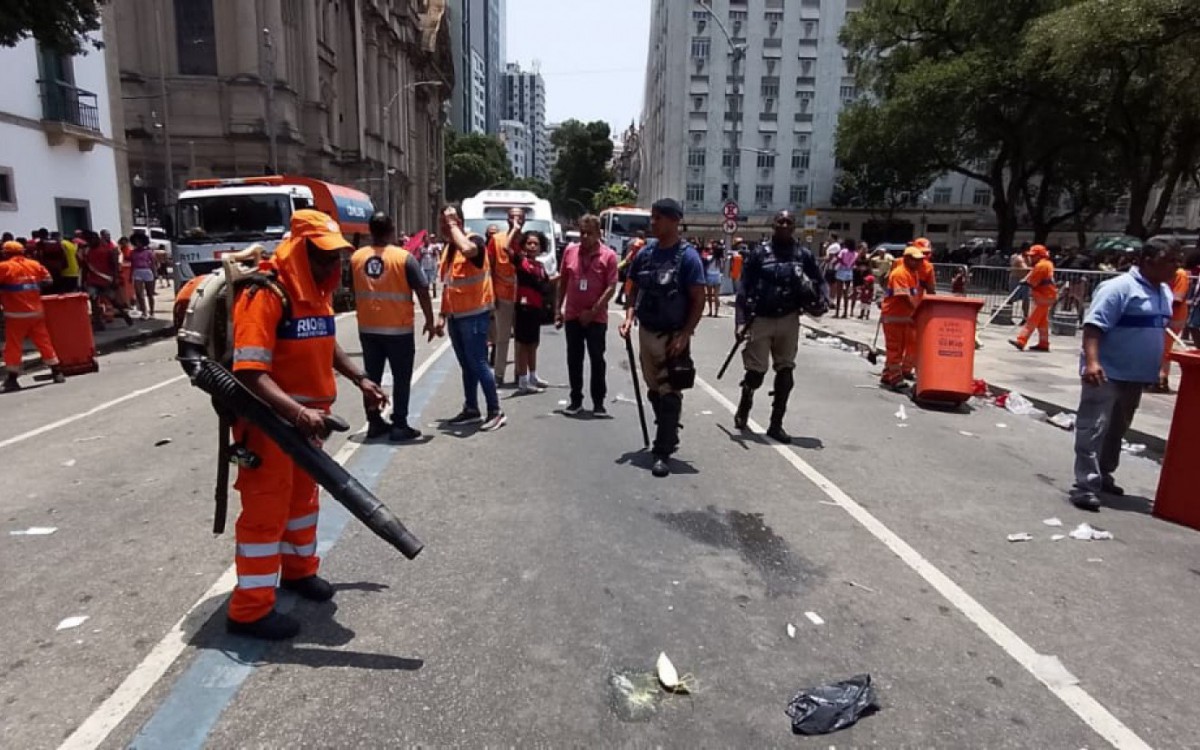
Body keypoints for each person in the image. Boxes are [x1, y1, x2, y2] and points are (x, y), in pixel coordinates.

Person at [227, 209, 388, 640]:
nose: (332, 266)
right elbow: (248, 370)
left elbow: (323, 341)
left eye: (336, 257)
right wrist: (297, 413)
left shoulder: (314, 291)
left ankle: (298, 572)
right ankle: (249, 609)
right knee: (265, 514)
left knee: (303, 504)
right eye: (323, 256)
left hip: (306, 427)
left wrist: (360, 379)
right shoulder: (266, 293)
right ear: (300, 250)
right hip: (268, 425)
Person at [1070, 238, 1182, 511]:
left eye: (1177, 261)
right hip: (1107, 373)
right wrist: (1093, 362)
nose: (1175, 267)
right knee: (1093, 428)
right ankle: (1085, 485)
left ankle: (1105, 474)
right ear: (1147, 261)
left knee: (1117, 430)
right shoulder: (1118, 288)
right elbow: (1094, 327)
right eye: (1169, 261)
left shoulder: (1164, 291)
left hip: (1135, 376)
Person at [618, 199, 706, 478]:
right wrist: (629, 316)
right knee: (654, 389)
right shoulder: (646, 254)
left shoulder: (688, 257)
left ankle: (662, 450)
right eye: (652, 217)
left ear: (673, 221)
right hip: (647, 332)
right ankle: (669, 429)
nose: (652, 223)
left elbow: (698, 298)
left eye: (657, 218)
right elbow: (632, 288)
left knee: (670, 391)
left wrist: (686, 333)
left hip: (673, 335)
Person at [734, 211, 826, 442]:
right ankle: (746, 400)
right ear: (773, 225)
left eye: (789, 222)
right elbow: (744, 287)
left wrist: (822, 299)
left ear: (794, 226)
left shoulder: (802, 254)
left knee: (786, 372)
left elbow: (819, 280)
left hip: (789, 318)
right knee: (756, 373)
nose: (784, 225)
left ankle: (776, 424)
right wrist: (740, 321)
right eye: (780, 221)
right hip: (761, 318)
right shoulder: (759, 254)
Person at [351, 212, 437, 442]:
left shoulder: (356, 257)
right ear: (391, 231)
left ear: (370, 231)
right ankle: (399, 424)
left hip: (368, 328)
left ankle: (374, 422)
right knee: (401, 378)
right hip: (398, 330)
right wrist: (430, 320)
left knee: (371, 378)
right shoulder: (403, 258)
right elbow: (422, 290)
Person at [437, 206, 505, 432]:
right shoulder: (449, 249)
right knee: (466, 365)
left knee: (478, 363)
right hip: (457, 316)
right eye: (443, 223)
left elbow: (468, 250)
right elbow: (449, 284)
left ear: (458, 222)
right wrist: (442, 315)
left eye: (447, 223)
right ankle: (471, 408)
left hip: (475, 314)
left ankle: (495, 410)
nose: (444, 228)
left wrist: (454, 225)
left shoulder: (474, 240)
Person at [557, 214, 619, 415]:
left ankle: (598, 402)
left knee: (596, 359)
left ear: (598, 234)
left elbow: (610, 287)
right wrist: (559, 308)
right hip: (573, 315)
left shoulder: (608, 256)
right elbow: (563, 281)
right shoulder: (570, 251)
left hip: (596, 318)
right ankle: (576, 400)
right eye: (582, 233)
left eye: (589, 233)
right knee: (574, 359)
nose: (584, 237)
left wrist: (593, 312)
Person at [0, 240, 66, 391]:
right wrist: (32, 287)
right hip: (36, 313)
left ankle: (12, 379)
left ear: (6, 253)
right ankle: (57, 372)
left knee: (13, 346)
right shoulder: (34, 265)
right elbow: (48, 281)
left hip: (16, 315)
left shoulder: (4, 267)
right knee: (44, 342)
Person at [880, 247, 927, 390]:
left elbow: (914, 295)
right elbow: (905, 296)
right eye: (915, 259)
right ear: (906, 258)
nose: (918, 262)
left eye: (919, 260)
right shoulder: (900, 274)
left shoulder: (913, 274)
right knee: (894, 348)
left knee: (899, 348)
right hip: (894, 317)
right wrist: (917, 310)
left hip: (903, 318)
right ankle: (895, 378)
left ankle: (888, 374)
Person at [514, 231, 552, 394]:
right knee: (523, 344)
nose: (532, 246)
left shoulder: (540, 266)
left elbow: (545, 286)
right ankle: (522, 380)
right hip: (523, 307)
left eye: (536, 244)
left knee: (533, 344)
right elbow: (507, 249)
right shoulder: (521, 262)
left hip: (536, 308)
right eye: (529, 243)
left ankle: (533, 376)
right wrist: (515, 228)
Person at [487, 208, 522, 385]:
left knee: (522, 338)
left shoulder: (526, 240)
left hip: (523, 297)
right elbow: (490, 269)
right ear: (507, 219)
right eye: (513, 216)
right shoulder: (496, 240)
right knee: (502, 337)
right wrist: (491, 294)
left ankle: (520, 373)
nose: (517, 219)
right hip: (503, 295)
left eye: (520, 217)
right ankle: (499, 374)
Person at [80, 231, 133, 329]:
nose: (90, 242)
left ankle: (124, 315)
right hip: (92, 281)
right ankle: (98, 322)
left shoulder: (107, 249)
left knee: (113, 300)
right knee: (94, 300)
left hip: (106, 280)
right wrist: (83, 281)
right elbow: (85, 267)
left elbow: (115, 265)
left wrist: (116, 278)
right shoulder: (86, 251)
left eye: (92, 240)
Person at [1009, 244, 1057, 352]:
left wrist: (1025, 283)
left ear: (1039, 256)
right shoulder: (1046, 264)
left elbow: (1033, 282)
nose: (1031, 257)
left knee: (1032, 320)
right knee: (1042, 322)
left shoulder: (1041, 266)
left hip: (1043, 296)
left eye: (1033, 255)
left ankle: (1021, 341)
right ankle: (1044, 343)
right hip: (1047, 295)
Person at [1157, 264, 1192, 392]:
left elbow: (1177, 299)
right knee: (1159, 348)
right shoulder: (1163, 271)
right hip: (1164, 315)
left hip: (1173, 317)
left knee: (1164, 350)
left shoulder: (1180, 274)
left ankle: (1162, 379)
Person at [128, 232, 158, 319]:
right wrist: (130, 276)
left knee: (150, 294)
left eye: (140, 241)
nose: (138, 243)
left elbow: (153, 264)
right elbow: (132, 264)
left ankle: (152, 312)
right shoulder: (133, 253)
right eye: (136, 242)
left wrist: (155, 273)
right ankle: (144, 312)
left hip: (147, 272)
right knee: (139, 293)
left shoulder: (148, 252)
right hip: (137, 272)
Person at [832, 237, 858, 318]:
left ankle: (837, 313)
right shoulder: (855, 253)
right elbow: (854, 264)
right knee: (846, 293)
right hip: (849, 272)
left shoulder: (843, 251)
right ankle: (845, 313)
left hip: (841, 271)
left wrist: (834, 265)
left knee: (839, 293)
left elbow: (838, 259)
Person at [1010, 244, 1032, 323]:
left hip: (1025, 280)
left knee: (1026, 299)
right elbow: (1025, 267)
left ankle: (1025, 318)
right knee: (1012, 298)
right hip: (1015, 279)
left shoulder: (1028, 257)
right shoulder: (1017, 257)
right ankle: (1008, 316)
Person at [701, 240, 722, 317]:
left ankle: (710, 311)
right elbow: (722, 268)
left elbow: (703, 259)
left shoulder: (709, 258)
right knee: (716, 296)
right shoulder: (719, 260)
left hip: (709, 276)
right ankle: (716, 312)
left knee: (709, 295)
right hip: (717, 276)